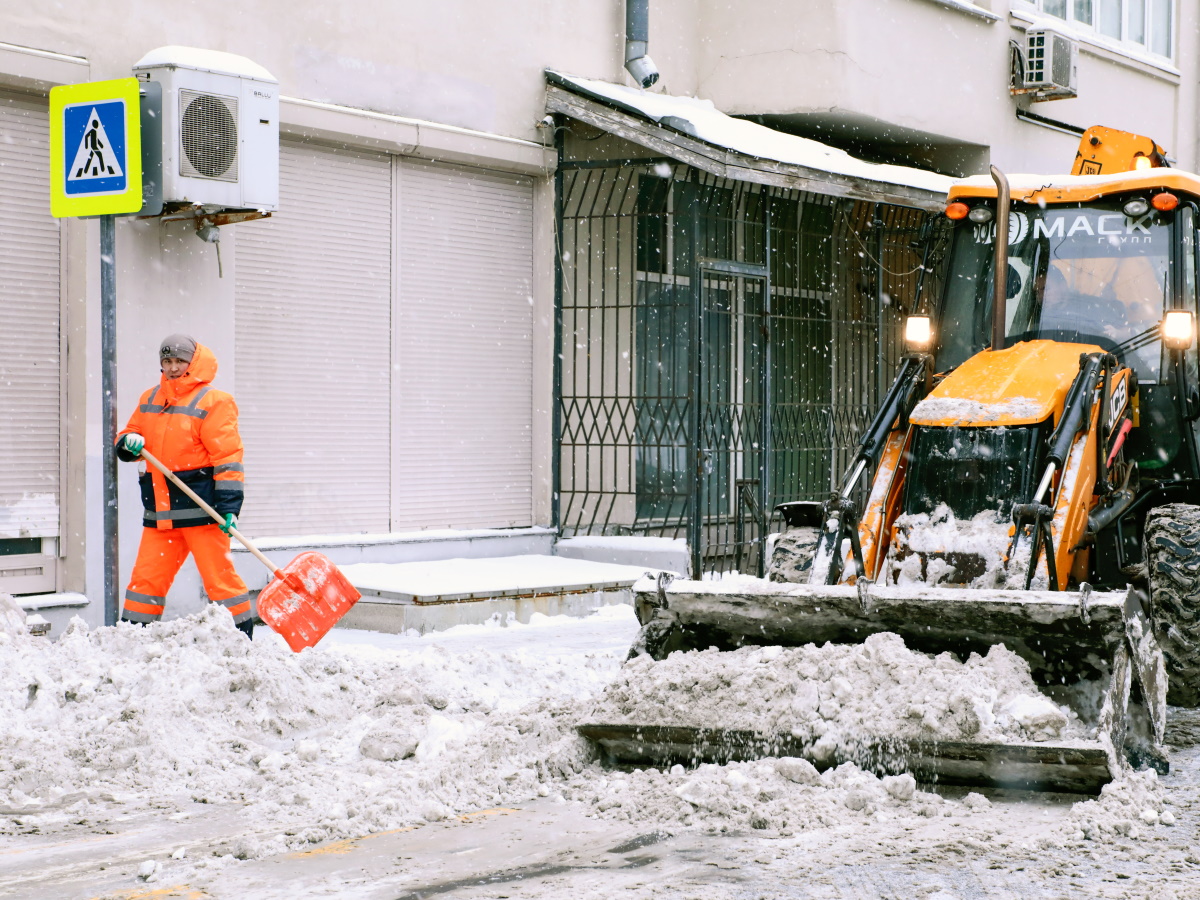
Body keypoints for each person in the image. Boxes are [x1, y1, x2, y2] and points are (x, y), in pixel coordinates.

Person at [115, 335, 255, 638]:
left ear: (193, 362)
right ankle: (129, 640)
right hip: (160, 512)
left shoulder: (214, 401)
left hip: (202, 511)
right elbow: (129, 435)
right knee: (145, 582)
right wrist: (127, 442)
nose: (173, 367)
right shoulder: (150, 398)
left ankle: (241, 641)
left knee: (221, 582)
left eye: (180, 361)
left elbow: (228, 458)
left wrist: (230, 507)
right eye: (167, 361)